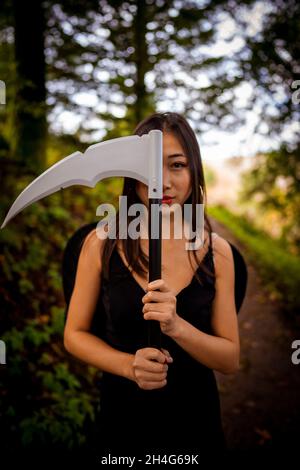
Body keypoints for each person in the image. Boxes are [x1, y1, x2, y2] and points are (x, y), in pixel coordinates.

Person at [63, 112, 240, 461]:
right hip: (123, 425)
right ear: (132, 174)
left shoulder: (217, 253)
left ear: (194, 171)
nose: (164, 182)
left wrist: (177, 327)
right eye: (149, 168)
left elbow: (230, 359)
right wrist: (128, 366)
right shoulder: (102, 244)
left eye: (177, 165)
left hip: (196, 428)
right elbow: (74, 334)